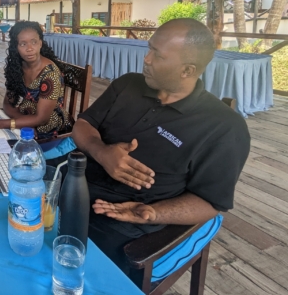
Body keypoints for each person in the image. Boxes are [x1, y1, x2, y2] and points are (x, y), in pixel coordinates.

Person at [70, 18, 250, 285]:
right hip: (71, 187)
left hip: (119, 223)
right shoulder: (128, 85)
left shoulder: (224, 128)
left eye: (158, 55)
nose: (147, 59)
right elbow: (83, 125)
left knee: (74, 279)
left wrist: (152, 212)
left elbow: (211, 203)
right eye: (149, 48)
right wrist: (102, 152)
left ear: (187, 70)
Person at [0, 21, 73, 139]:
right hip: (25, 118)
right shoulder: (17, 66)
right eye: (23, 44)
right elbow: (8, 104)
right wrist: (23, 123)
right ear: (16, 47)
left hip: (50, 130)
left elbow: (42, 119)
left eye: (34, 42)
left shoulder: (50, 74)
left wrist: (2, 124)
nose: (29, 48)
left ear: (40, 43)